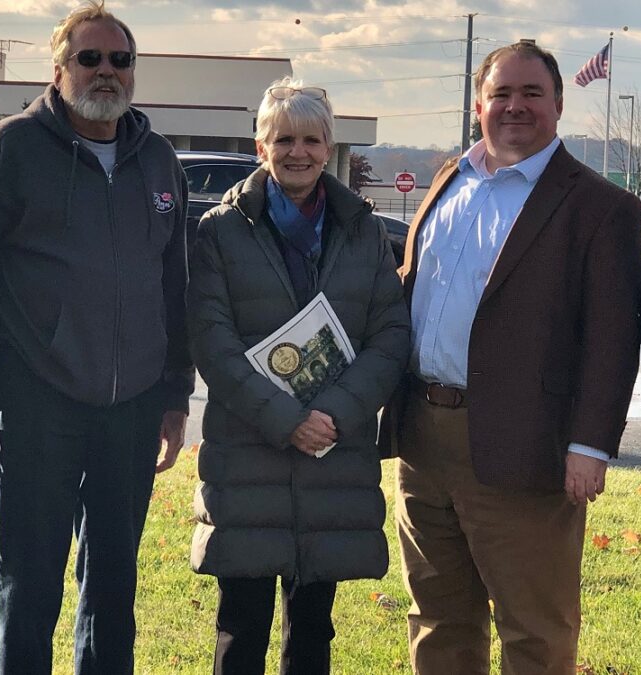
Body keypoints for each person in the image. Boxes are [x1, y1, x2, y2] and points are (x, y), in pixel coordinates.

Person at [379, 42, 641, 674]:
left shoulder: (601, 207)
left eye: (531, 93)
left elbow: (613, 338)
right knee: (438, 619)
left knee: (534, 630)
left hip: (527, 446)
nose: (515, 106)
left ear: (559, 103)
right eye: (501, 94)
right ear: (479, 106)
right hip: (423, 437)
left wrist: (590, 445)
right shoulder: (450, 180)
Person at [0, 2, 193, 673]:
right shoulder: (11, 149)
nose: (105, 72)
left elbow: (174, 286)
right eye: (89, 58)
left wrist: (175, 395)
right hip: (37, 402)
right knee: (28, 581)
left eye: (119, 60)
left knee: (114, 585)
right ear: (58, 67)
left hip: (134, 408)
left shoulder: (159, 160)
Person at [187, 77, 410, 674]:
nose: (298, 152)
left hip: (332, 455)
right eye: (283, 139)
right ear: (260, 146)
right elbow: (212, 341)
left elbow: (390, 335)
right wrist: (287, 420)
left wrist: (333, 414)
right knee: (240, 627)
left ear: (328, 147)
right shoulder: (220, 229)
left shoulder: (363, 230)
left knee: (313, 631)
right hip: (248, 454)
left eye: (311, 140)